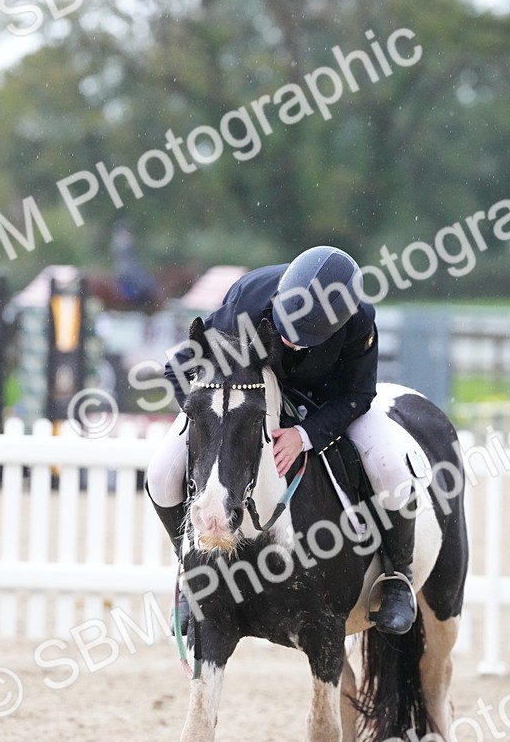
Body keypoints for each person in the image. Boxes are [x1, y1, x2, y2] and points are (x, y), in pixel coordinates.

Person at [146, 245, 421, 635]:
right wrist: (210, 425)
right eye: (286, 331)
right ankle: (192, 573)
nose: (290, 343)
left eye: (303, 337)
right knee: (161, 473)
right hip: (247, 407)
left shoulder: (359, 321)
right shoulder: (247, 300)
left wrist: (304, 435)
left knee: (391, 468)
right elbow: (180, 368)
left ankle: (398, 577)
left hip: (325, 405)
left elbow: (358, 395)